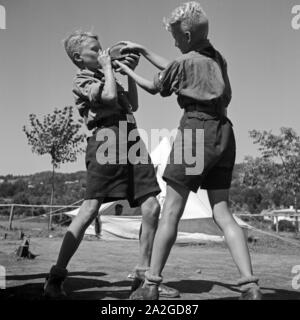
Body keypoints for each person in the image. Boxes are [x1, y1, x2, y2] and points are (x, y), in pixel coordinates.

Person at [115, 1, 262, 300]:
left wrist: (125, 71)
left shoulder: (183, 64)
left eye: (174, 36)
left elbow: (157, 86)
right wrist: (142, 49)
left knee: (170, 210)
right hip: (224, 132)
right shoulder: (217, 59)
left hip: (196, 130)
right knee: (223, 212)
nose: (172, 41)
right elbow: (174, 66)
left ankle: (151, 285)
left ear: (185, 35)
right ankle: (250, 284)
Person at [43, 31, 178, 298]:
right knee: (91, 208)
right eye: (96, 49)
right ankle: (55, 278)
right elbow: (106, 98)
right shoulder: (81, 79)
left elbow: (133, 106)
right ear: (79, 57)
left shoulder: (110, 75)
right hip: (105, 140)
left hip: (131, 138)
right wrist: (108, 67)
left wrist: (126, 71)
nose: (102, 51)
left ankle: (142, 279)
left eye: (102, 47)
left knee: (151, 206)